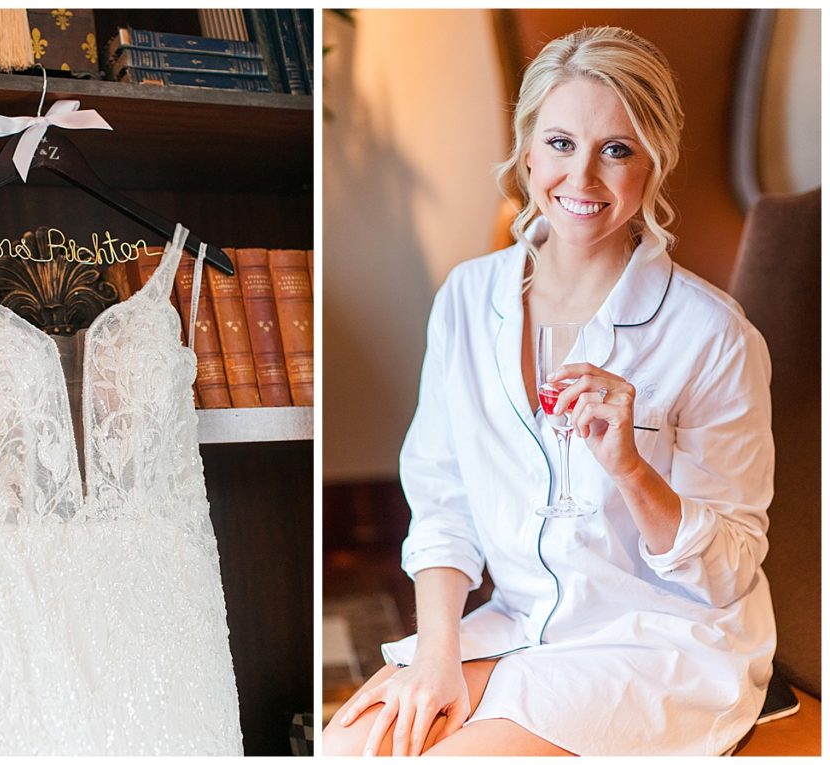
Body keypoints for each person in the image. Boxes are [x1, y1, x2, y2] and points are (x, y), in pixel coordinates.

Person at [323, 25, 775, 757]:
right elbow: (443, 501)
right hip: (525, 622)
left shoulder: (714, 336)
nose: (583, 179)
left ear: (653, 162)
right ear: (527, 149)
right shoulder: (468, 299)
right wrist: (438, 656)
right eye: (562, 144)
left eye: (617, 150)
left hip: (660, 644)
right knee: (347, 747)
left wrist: (630, 467)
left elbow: (729, 572)